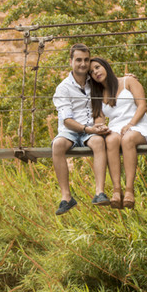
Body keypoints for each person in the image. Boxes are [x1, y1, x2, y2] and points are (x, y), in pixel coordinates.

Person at [88, 57, 147, 209]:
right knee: (111, 140)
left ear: (105, 66)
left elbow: (142, 106)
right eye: (92, 72)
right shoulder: (98, 94)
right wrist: (100, 128)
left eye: (97, 67)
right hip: (116, 128)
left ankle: (129, 190)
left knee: (128, 139)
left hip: (138, 124)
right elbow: (99, 120)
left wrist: (130, 124)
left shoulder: (128, 81)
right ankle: (116, 190)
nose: (96, 72)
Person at [51, 43, 110, 215]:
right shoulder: (63, 88)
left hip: (91, 129)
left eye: (86, 60)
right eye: (78, 60)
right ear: (71, 61)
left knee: (99, 142)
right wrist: (88, 129)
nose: (83, 64)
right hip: (71, 129)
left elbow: (102, 104)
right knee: (58, 145)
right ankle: (66, 197)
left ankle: (99, 192)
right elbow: (67, 120)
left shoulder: (95, 83)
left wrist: (98, 125)